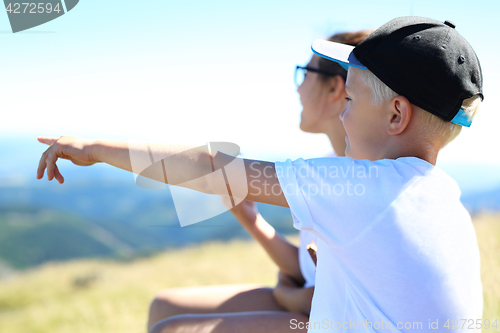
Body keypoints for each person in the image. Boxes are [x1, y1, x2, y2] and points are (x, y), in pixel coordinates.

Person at [36, 16, 483, 333]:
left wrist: (93, 149)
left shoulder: (363, 189)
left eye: (350, 100)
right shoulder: (445, 201)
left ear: (396, 115)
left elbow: (215, 170)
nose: (343, 116)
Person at [145, 29, 372, 332]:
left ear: (334, 87)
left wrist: (286, 295)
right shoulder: (332, 162)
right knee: (163, 306)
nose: (298, 88)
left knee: (172, 328)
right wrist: (251, 219)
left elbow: (323, 298)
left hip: (338, 320)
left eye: (305, 74)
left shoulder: (351, 176)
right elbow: (309, 270)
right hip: (311, 307)